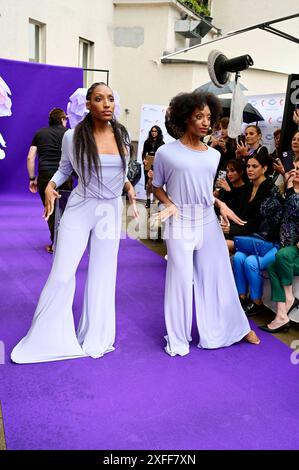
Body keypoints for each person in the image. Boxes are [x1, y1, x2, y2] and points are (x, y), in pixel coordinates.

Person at [11, 82, 137, 364]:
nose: (107, 104)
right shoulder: (73, 137)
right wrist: (50, 185)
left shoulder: (122, 135)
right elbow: (65, 168)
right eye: (99, 99)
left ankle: (97, 337)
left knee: (104, 274)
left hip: (110, 209)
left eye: (110, 99)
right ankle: (49, 338)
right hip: (80, 206)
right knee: (62, 272)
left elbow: (118, 170)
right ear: (88, 105)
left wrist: (127, 186)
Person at [152, 90, 260, 356]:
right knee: (179, 281)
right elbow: (157, 188)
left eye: (209, 117)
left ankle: (234, 327)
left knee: (219, 276)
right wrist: (170, 205)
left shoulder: (213, 155)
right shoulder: (166, 152)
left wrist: (220, 203)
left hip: (207, 221)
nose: (205, 122)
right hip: (179, 222)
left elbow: (203, 190)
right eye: (199, 116)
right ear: (185, 117)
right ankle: (178, 338)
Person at [260, 157, 299, 333]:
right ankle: (282, 316)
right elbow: (266, 209)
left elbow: (294, 207)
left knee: (281, 256)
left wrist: (289, 188)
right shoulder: (286, 190)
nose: (296, 171)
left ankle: (289, 296)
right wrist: (282, 187)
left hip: (293, 249)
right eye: (295, 167)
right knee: (273, 266)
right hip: (288, 246)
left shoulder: (292, 193)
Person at [27, 108, 71, 253]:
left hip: (45, 176)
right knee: (65, 210)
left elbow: (30, 158)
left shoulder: (39, 133)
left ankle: (55, 244)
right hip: (64, 176)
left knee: (50, 211)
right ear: (62, 119)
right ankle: (67, 243)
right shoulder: (68, 134)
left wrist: (32, 178)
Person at [142, 126, 165, 208]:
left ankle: (156, 202)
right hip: (148, 161)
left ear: (158, 132)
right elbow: (144, 153)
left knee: (156, 184)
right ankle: (148, 201)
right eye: (152, 131)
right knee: (148, 184)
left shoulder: (162, 143)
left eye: (155, 131)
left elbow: (163, 156)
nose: (153, 132)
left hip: (157, 163)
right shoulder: (147, 142)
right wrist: (144, 160)